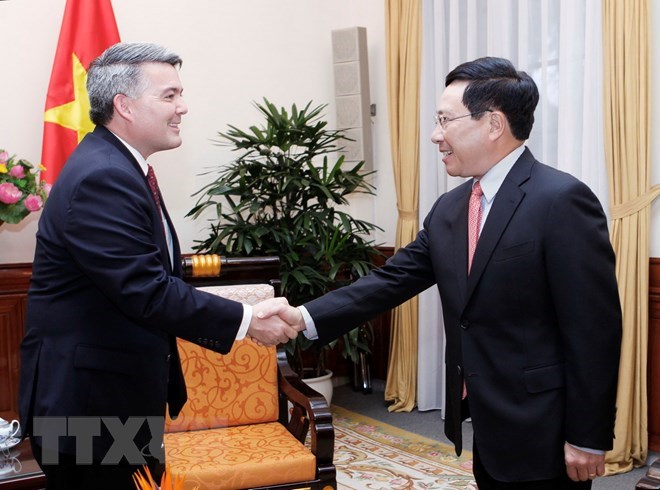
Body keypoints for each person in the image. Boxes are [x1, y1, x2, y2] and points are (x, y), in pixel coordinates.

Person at [265, 57, 622, 489]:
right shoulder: (451, 208)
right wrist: (303, 317)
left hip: (543, 422)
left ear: (493, 123)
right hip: (485, 420)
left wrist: (587, 436)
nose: (435, 135)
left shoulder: (561, 200)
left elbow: (593, 330)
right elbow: (390, 280)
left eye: (444, 120)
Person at [19, 42, 295, 490]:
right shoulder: (102, 176)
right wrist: (247, 321)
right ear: (124, 105)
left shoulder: (121, 166)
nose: (183, 107)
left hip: (108, 398)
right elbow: (145, 289)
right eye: (169, 96)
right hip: (87, 406)